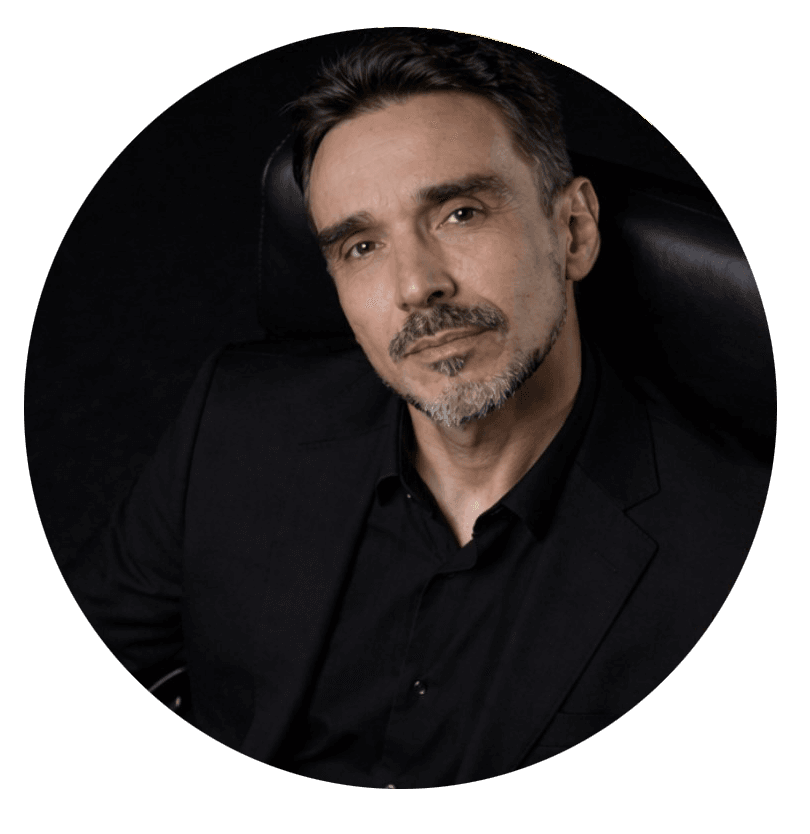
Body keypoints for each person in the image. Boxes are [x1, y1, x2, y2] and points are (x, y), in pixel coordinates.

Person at [61, 30, 772, 788]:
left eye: (460, 213)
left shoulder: (738, 549)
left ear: (573, 231)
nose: (416, 286)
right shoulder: (236, 421)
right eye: (361, 247)